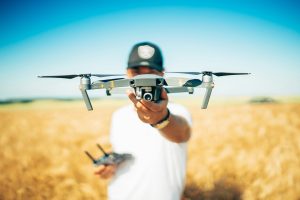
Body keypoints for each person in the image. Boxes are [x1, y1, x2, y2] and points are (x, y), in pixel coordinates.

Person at [94, 41, 192, 200]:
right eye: (137, 72)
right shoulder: (118, 116)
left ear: (162, 74)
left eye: (151, 72)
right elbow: (125, 152)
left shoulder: (179, 112)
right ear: (127, 73)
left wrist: (161, 118)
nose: (143, 79)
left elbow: (181, 134)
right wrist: (109, 167)